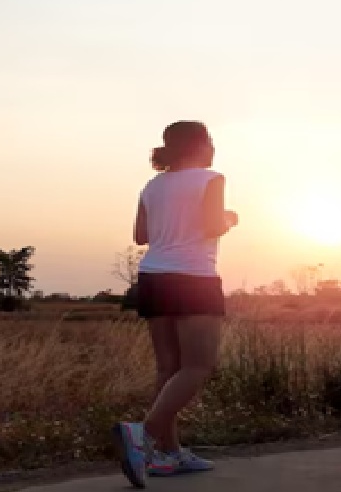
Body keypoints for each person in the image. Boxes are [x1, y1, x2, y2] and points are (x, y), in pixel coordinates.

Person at [112, 120, 238, 488]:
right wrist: (230, 219)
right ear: (199, 145)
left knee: (169, 368)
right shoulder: (210, 179)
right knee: (198, 365)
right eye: (210, 141)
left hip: (154, 276)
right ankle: (145, 435)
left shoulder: (152, 186)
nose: (213, 147)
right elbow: (212, 225)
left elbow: (141, 235)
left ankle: (169, 454)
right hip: (193, 277)